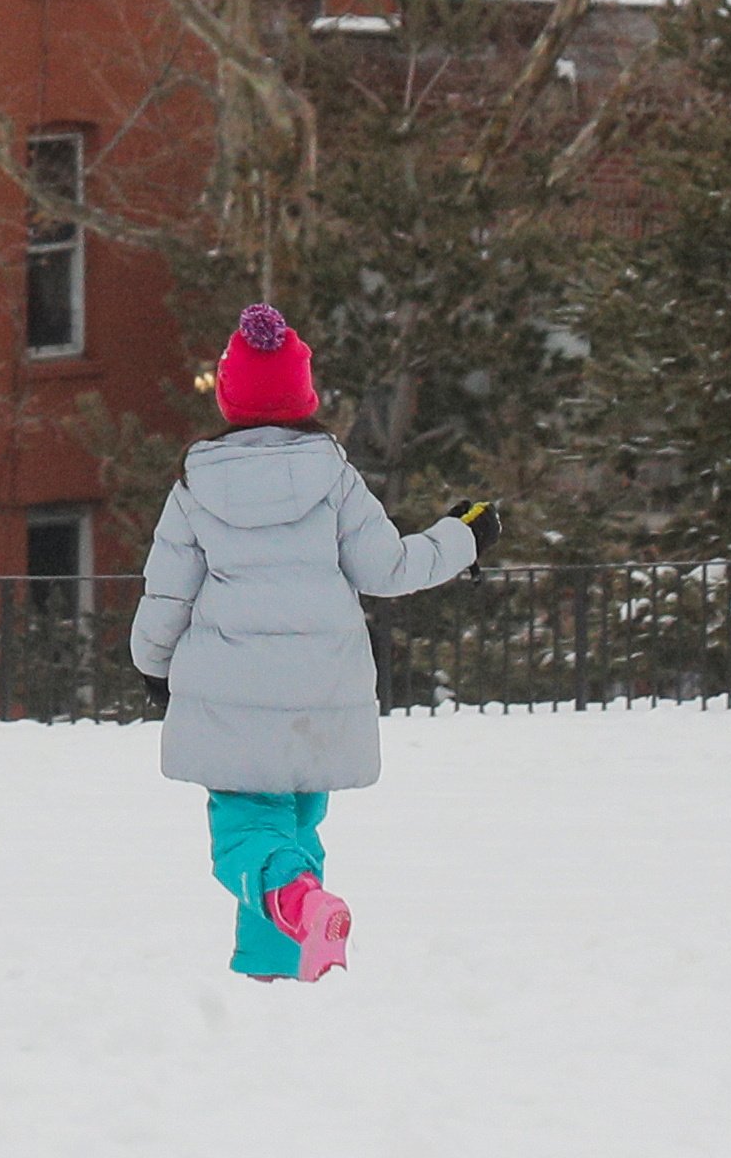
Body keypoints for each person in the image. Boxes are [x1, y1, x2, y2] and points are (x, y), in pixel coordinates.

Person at [124, 303, 489, 983]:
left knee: (243, 833)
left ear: (230, 398)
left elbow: (167, 593)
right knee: (290, 828)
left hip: (232, 696)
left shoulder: (196, 485)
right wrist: (465, 535)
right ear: (303, 398)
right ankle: (278, 965)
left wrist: (153, 667)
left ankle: (297, 905)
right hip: (320, 696)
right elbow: (389, 569)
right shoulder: (335, 478)